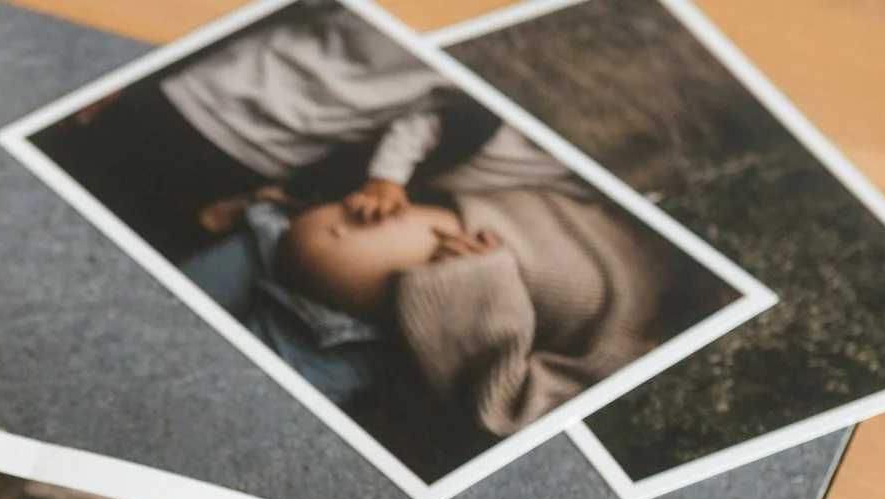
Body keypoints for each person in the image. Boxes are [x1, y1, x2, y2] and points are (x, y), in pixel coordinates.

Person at [268, 129, 675, 436]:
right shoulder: (629, 199)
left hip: (327, 336)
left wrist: (483, 290)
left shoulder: (639, 344)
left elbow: (508, 413)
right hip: (270, 231)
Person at [33, 4, 502, 263]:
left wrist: (388, 174)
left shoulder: (495, 55)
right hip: (188, 97)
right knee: (39, 190)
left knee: (118, 254)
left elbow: (430, 111)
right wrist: (129, 67)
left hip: (253, 159)